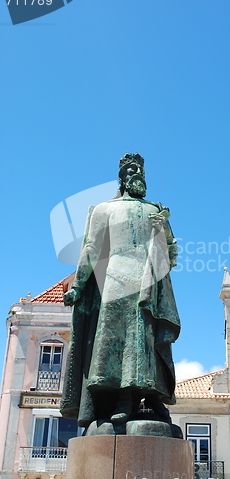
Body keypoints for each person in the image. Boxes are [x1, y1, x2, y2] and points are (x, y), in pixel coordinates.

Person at [60, 153, 180, 432]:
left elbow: (172, 253)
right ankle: (121, 399)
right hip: (114, 279)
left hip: (150, 282)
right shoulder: (105, 209)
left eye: (140, 169)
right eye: (131, 169)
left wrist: (161, 236)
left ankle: (149, 396)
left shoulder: (156, 210)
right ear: (123, 177)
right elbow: (91, 249)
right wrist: (78, 285)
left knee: (147, 340)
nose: (137, 172)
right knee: (118, 341)